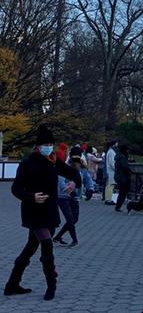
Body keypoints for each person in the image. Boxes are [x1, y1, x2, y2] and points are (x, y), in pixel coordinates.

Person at [4, 126, 81, 301]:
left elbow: (74, 174)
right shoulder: (27, 163)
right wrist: (31, 197)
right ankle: (51, 285)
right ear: (37, 146)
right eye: (46, 144)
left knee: (30, 247)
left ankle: (12, 284)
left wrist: (73, 183)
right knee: (46, 245)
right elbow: (16, 188)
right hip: (34, 212)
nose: (49, 147)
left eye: (51, 144)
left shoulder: (54, 161)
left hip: (50, 212)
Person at [53, 157, 83, 247]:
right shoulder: (63, 171)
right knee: (69, 219)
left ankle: (58, 237)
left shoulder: (79, 172)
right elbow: (61, 184)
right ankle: (74, 240)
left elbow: (85, 180)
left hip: (75, 198)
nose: (78, 165)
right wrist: (70, 191)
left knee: (75, 219)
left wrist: (90, 189)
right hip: (63, 197)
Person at [114, 144, 132, 212]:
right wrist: (129, 171)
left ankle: (118, 206)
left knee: (121, 192)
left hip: (119, 176)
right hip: (123, 177)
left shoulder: (118, 157)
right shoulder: (123, 157)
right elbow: (125, 167)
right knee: (123, 192)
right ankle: (118, 206)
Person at [105, 140, 118, 205]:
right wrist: (116, 169)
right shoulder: (111, 152)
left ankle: (107, 199)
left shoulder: (110, 151)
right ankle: (109, 199)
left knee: (108, 185)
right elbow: (112, 163)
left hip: (109, 171)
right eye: (116, 144)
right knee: (111, 185)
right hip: (111, 172)